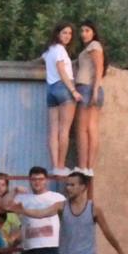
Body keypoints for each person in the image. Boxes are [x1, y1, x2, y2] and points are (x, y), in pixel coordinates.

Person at [42, 23, 81, 174]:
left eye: (70, 34)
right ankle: (60, 166)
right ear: (57, 33)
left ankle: (54, 166)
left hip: (50, 89)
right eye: (64, 33)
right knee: (64, 130)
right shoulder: (59, 50)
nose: (67, 36)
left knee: (53, 130)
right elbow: (61, 69)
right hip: (63, 88)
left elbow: (41, 60)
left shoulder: (49, 50)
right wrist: (73, 90)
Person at [74, 20, 106, 170]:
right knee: (91, 128)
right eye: (81, 31)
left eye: (87, 30)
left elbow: (99, 68)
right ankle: (88, 167)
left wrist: (94, 90)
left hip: (87, 88)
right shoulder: (87, 49)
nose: (83, 34)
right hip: (92, 89)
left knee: (82, 129)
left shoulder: (94, 46)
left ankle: (83, 166)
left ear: (94, 32)